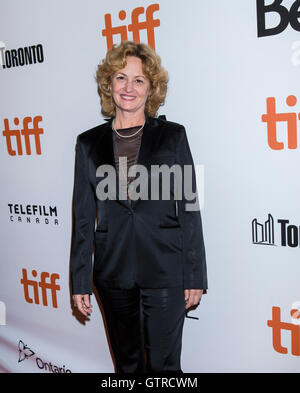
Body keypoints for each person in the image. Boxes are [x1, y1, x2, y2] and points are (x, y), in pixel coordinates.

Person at [70, 40, 208, 374]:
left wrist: (195, 274)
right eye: (120, 78)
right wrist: (78, 280)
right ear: (109, 84)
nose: (128, 87)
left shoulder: (174, 136)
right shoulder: (88, 143)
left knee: (164, 367)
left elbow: (190, 207)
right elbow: (83, 217)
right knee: (127, 366)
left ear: (151, 89)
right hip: (113, 272)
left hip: (166, 270)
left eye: (139, 80)